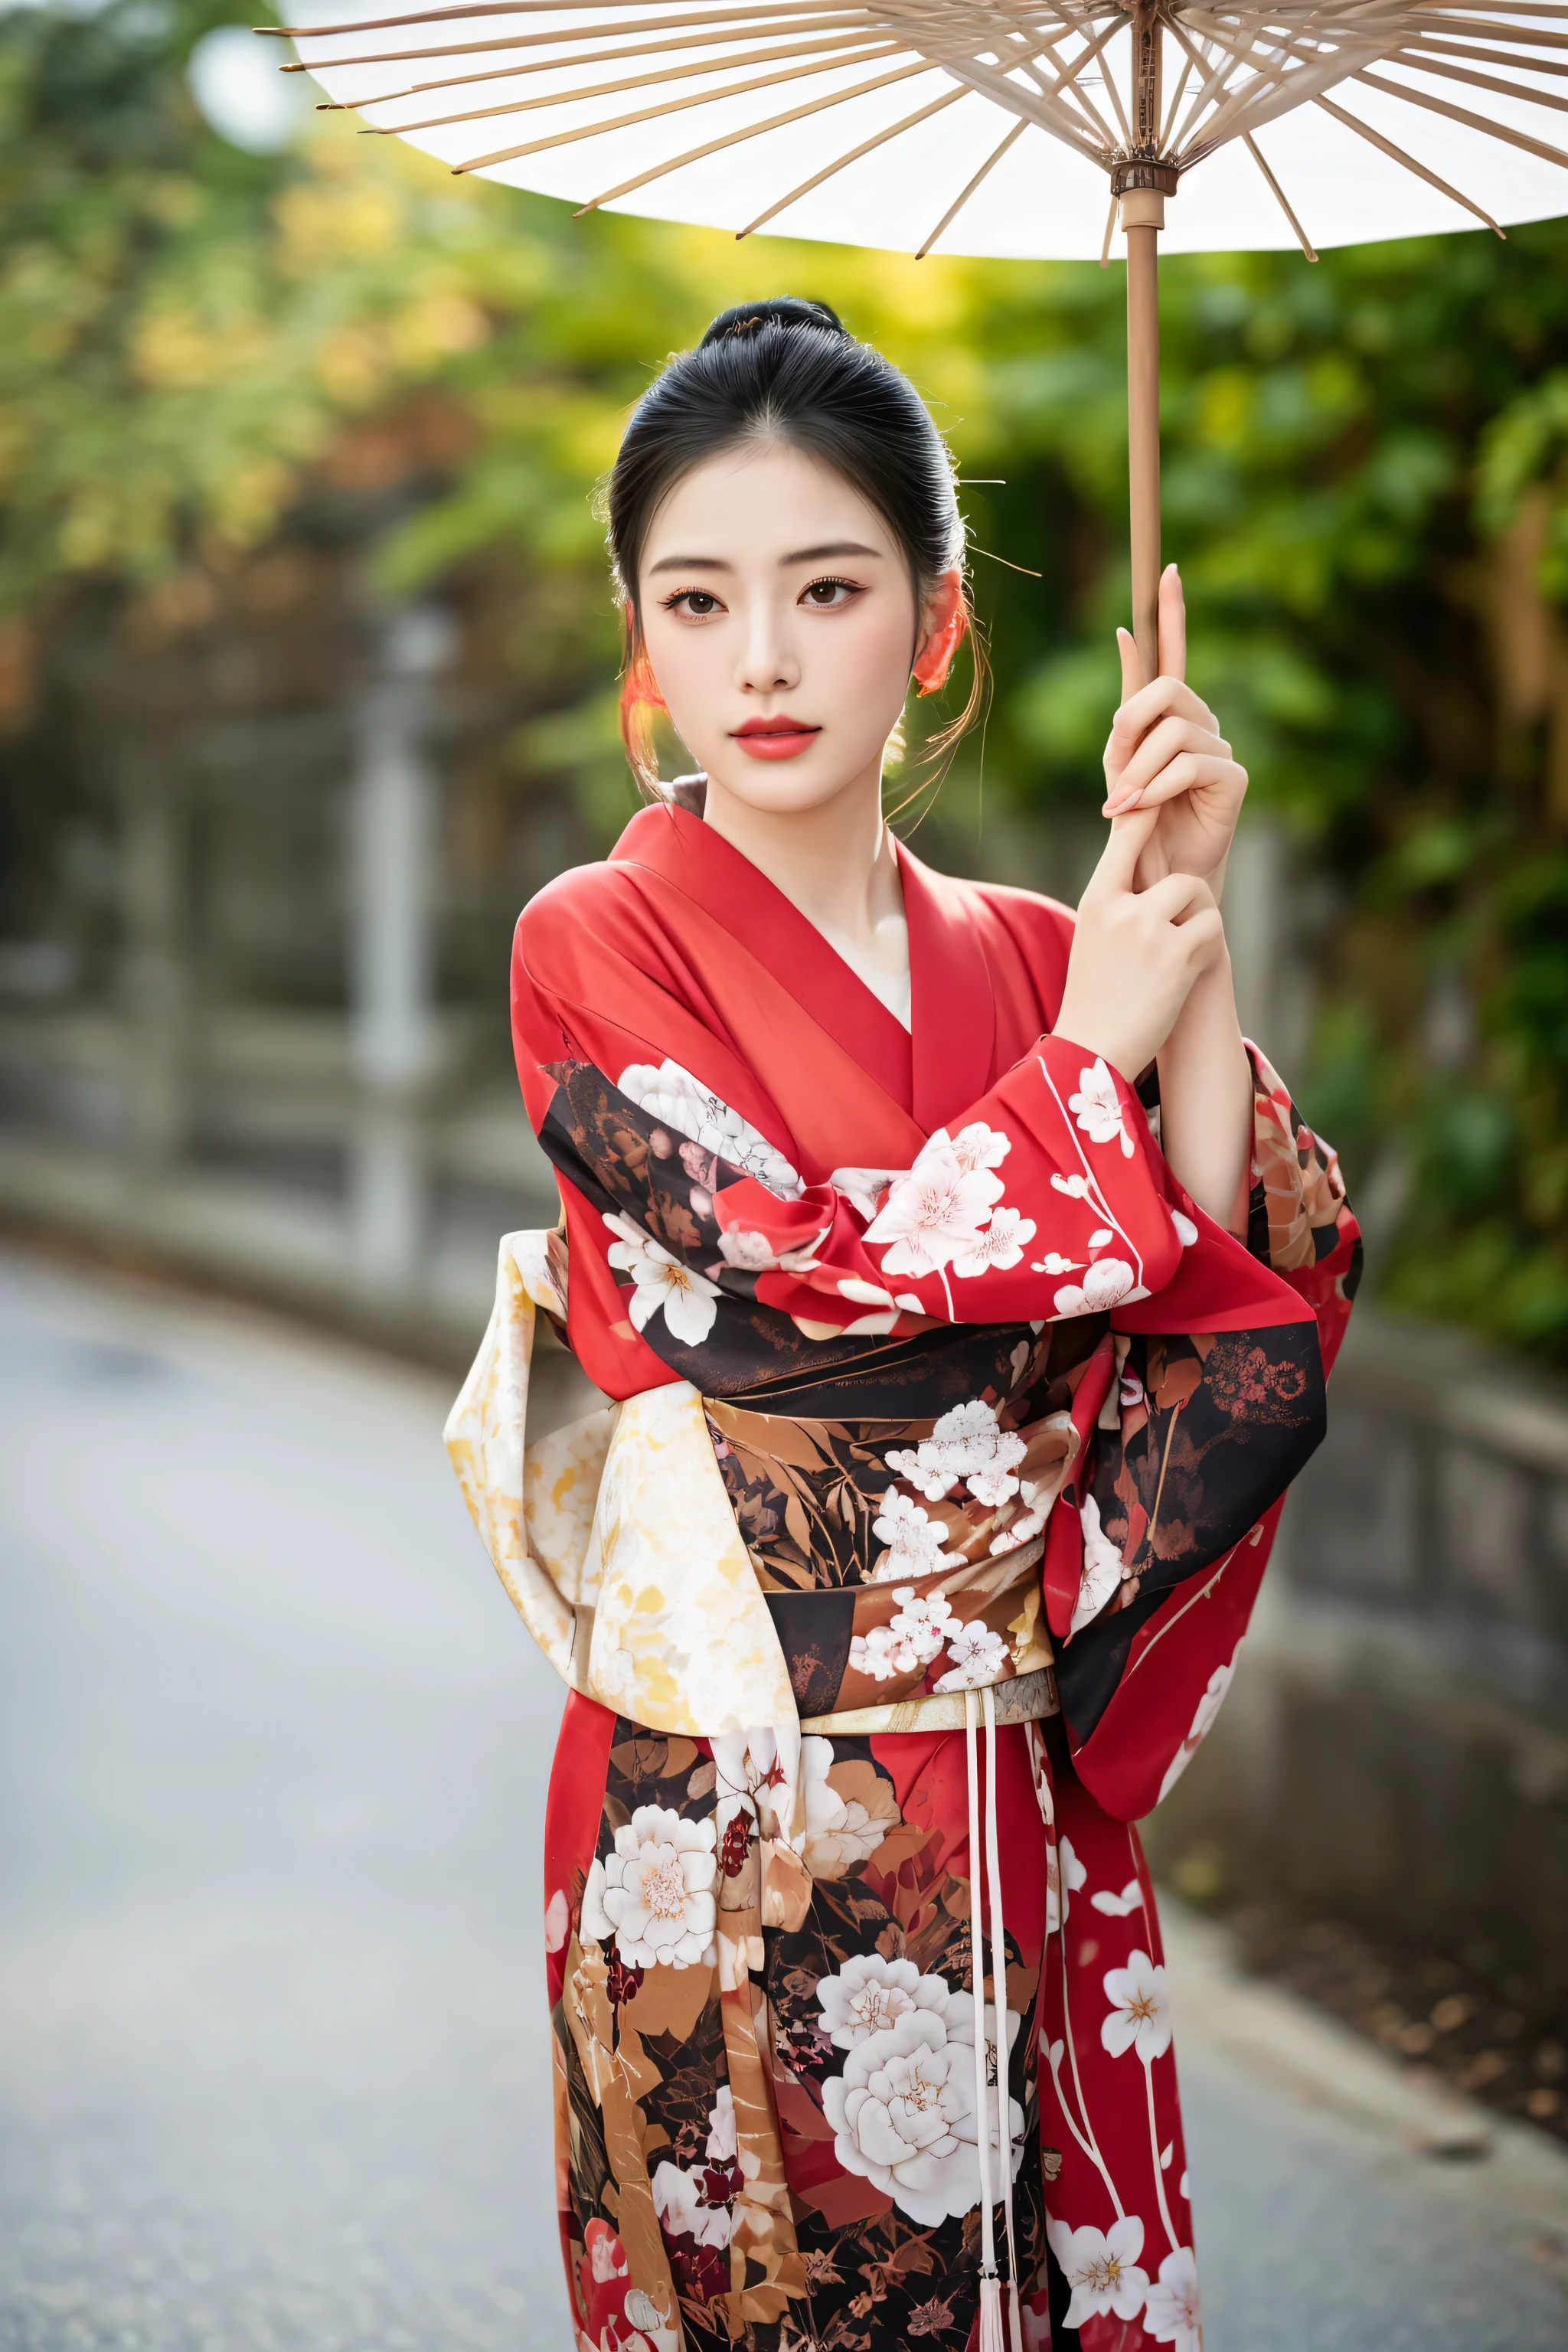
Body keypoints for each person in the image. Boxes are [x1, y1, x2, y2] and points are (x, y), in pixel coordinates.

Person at [446, 296, 1360, 2352]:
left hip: (1012, 1796)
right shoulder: (592, 947)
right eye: (698, 599)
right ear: (640, 645)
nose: (759, 659)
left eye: (828, 588)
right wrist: (1088, 1072)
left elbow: (1215, 1299)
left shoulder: (1054, 952)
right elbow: (788, 1289)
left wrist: (1183, 938)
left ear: (936, 623)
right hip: (735, 1807)